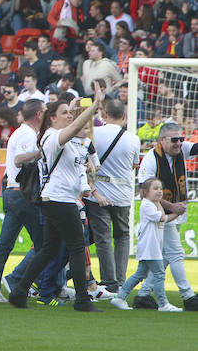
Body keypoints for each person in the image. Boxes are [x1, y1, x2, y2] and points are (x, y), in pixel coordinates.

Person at [8, 85, 107, 312]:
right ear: (51, 118)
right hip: (61, 200)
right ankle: (82, 299)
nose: (69, 116)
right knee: (76, 245)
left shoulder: (56, 136)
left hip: (58, 199)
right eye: (63, 113)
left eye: (69, 113)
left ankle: (20, 291)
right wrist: (94, 105)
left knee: (50, 250)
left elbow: (72, 127)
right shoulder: (53, 137)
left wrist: (70, 108)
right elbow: (73, 127)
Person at [0, 99, 44, 302]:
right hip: (22, 194)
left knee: (4, 243)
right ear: (39, 115)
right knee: (45, 244)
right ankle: (24, 281)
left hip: (13, 192)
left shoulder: (21, 132)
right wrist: (41, 152)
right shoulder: (27, 134)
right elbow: (19, 159)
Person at [132, 121, 198, 311]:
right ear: (162, 140)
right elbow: (145, 192)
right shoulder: (151, 159)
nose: (179, 143)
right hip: (159, 214)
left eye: (181, 139)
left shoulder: (182, 150)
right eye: (174, 139)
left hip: (175, 213)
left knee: (166, 257)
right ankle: (188, 296)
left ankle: (144, 295)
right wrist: (172, 207)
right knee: (176, 253)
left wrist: (176, 209)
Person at [83, 99, 140, 294]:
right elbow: (134, 165)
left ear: (104, 115)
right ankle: (121, 280)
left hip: (98, 192)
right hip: (123, 195)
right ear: (124, 117)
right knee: (122, 236)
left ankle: (109, 281)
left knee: (103, 238)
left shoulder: (94, 134)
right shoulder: (133, 138)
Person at [110, 179, 182, 312]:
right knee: (159, 274)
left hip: (152, 248)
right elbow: (161, 217)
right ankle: (163, 303)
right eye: (155, 188)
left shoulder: (153, 204)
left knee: (140, 274)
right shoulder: (147, 205)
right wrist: (175, 212)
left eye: (160, 188)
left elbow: (163, 218)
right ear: (145, 192)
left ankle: (120, 297)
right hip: (150, 248)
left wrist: (172, 211)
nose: (159, 191)